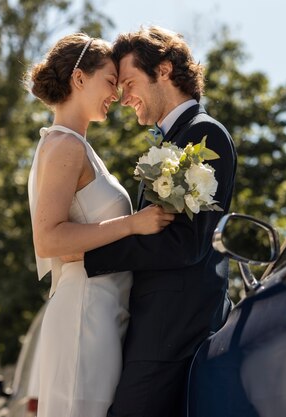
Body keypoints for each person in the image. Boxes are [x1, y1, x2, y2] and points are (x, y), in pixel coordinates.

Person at [79, 26, 237, 417]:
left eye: (130, 82)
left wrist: (85, 253)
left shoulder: (203, 135)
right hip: (157, 327)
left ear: (164, 70)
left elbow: (185, 244)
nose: (123, 97)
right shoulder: (175, 139)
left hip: (172, 329)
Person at [26, 33, 175, 417]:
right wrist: (133, 224)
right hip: (82, 318)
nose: (118, 94)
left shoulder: (79, 146)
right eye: (110, 81)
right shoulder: (65, 146)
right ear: (79, 79)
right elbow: (48, 239)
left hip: (102, 315)